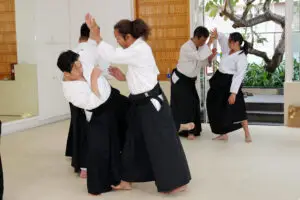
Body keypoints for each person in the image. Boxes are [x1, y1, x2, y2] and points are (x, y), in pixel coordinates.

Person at [85, 13, 191, 194]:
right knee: (132, 142)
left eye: (118, 38)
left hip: (151, 105)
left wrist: (96, 36)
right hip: (138, 104)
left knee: (162, 143)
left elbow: (114, 55)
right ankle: (127, 179)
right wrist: (123, 77)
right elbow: (142, 77)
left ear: (128, 36)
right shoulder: (136, 51)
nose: (117, 41)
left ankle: (176, 182)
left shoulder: (140, 49)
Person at [57, 50, 128, 195]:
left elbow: (100, 73)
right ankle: (106, 183)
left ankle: (128, 176)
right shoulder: (69, 90)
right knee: (103, 148)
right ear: (66, 74)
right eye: (75, 69)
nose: (80, 69)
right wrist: (94, 79)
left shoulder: (82, 65)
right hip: (99, 111)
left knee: (131, 128)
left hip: (113, 99)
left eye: (79, 64)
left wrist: (107, 75)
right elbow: (94, 102)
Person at [171, 26, 217, 140]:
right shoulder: (186, 47)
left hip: (189, 81)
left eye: (205, 41)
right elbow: (199, 56)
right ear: (196, 37)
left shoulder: (199, 47)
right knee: (186, 104)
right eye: (202, 41)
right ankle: (186, 131)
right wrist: (210, 42)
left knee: (194, 102)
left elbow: (202, 62)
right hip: (180, 80)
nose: (203, 43)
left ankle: (193, 130)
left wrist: (210, 58)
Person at [206, 29, 252, 143]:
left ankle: (247, 133)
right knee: (216, 104)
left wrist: (233, 93)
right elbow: (222, 39)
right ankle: (223, 133)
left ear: (236, 43)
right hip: (219, 79)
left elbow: (238, 76)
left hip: (230, 81)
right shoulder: (228, 50)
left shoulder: (241, 57)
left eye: (230, 41)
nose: (228, 42)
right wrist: (218, 34)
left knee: (238, 106)